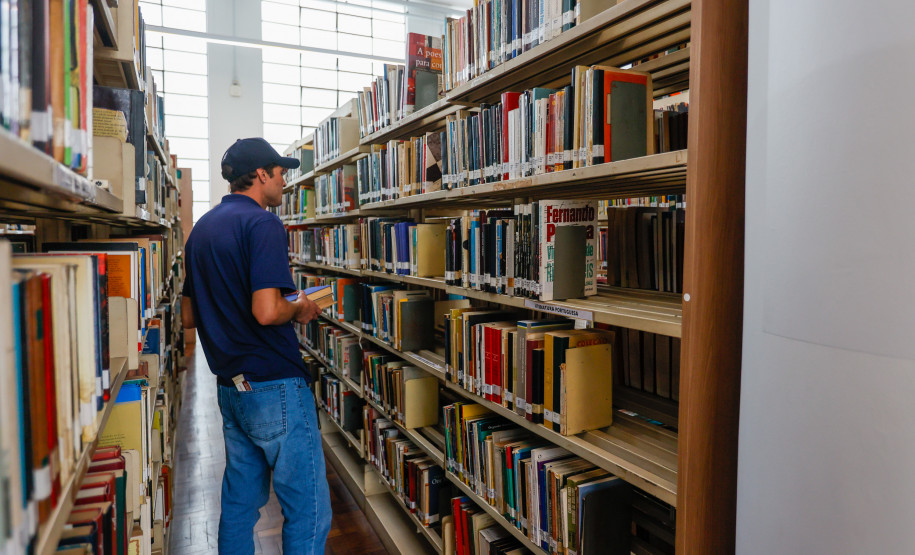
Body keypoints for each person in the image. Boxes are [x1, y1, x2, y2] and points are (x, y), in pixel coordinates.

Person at [180, 138, 332, 554]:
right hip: (274, 383)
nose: (285, 181)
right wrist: (299, 307)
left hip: (232, 388)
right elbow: (266, 311)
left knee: (239, 504)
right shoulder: (263, 224)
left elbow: (189, 316)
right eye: (280, 172)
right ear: (261, 174)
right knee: (309, 510)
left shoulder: (201, 230)